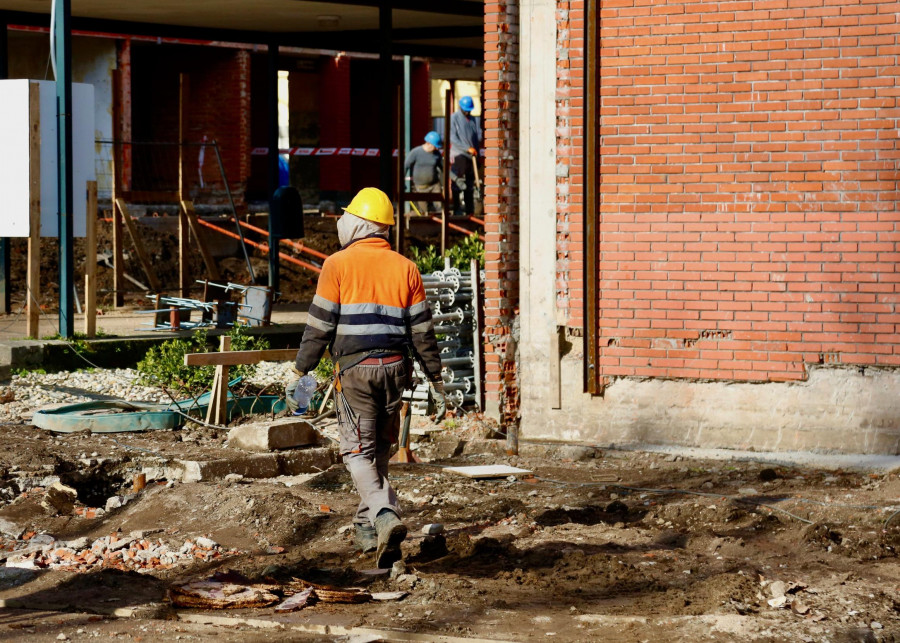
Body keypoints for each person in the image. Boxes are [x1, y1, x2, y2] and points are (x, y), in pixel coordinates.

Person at [291, 187, 445, 568]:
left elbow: (319, 325)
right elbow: (422, 331)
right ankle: (367, 530)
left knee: (356, 452)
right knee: (379, 449)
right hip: (396, 369)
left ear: (358, 224)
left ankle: (384, 512)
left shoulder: (337, 265)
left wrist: (300, 369)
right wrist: (437, 379)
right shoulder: (406, 267)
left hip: (356, 370)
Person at [449, 95, 481, 216]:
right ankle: (457, 209)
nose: (467, 112)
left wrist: (477, 155)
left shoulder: (472, 119)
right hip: (459, 154)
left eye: (469, 110)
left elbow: (475, 138)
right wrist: (467, 148)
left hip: (471, 157)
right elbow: (452, 137)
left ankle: (470, 209)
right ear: (461, 107)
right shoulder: (454, 118)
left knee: (470, 184)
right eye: (465, 109)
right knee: (458, 182)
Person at [404, 131, 443, 214]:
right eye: (435, 146)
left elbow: (444, 168)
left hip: (434, 186)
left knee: (440, 208)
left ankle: (441, 223)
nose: (437, 149)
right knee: (423, 212)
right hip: (420, 188)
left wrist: (454, 179)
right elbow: (405, 166)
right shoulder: (416, 152)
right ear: (428, 143)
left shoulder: (437, 154)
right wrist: (401, 182)